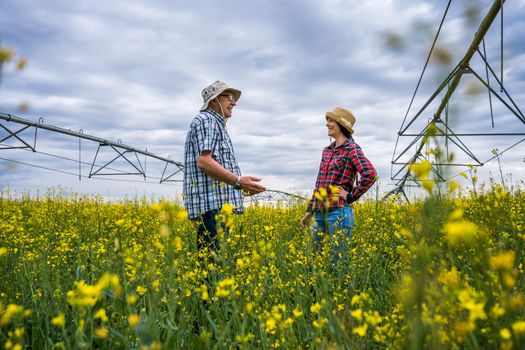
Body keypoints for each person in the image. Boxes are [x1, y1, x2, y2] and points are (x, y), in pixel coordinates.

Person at [183, 80, 266, 258]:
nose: (234, 102)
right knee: (213, 269)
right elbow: (204, 162)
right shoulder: (208, 121)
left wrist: (240, 185)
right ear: (214, 100)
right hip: (212, 208)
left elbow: (212, 166)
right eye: (228, 97)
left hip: (214, 206)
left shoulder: (215, 124)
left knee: (212, 266)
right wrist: (238, 181)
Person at [301, 107, 377, 262]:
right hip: (319, 214)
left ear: (341, 125)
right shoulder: (326, 151)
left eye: (331, 121)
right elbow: (320, 184)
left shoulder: (352, 149)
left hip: (338, 213)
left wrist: (350, 196)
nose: (327, 124)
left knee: (339, 263)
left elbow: (370, 174)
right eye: (327, 121)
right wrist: (310, 210)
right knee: (313, 261)